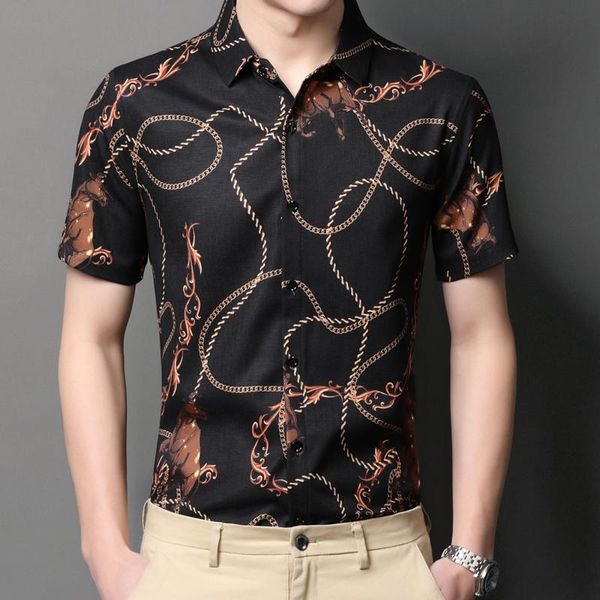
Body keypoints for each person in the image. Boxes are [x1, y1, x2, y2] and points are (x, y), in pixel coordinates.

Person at [56, 0, 519, 598]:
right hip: (196, 565)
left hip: (381, 563)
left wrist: (470, 556)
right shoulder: (133, 102)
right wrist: (103, 548)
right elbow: (90, 337)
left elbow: (482, 336)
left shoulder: (443, 104)